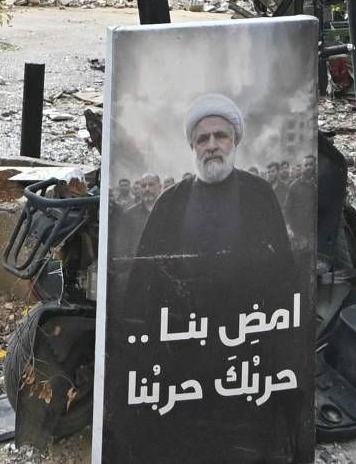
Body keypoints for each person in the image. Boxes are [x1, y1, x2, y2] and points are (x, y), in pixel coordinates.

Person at [119, 92, 309, 460]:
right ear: (192, 146)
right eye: (203, 138)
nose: (212, 145)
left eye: (220, 136)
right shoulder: (170, 202)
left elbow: (283, 277)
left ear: (235, 141)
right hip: (184, 348)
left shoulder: (260, 194)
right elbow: (143, 282)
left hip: (245, 348)